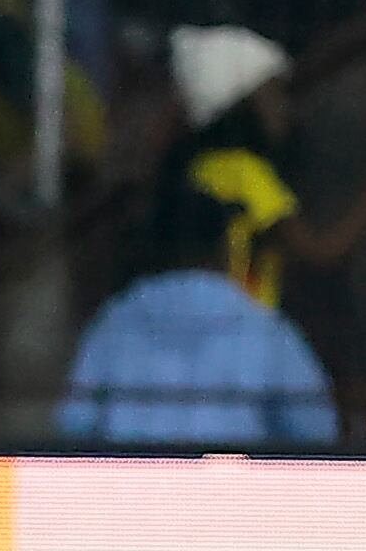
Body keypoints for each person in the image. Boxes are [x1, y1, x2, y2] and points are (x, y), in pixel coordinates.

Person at [53, 175, 340, 446]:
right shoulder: (263, 330)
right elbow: (316, 433)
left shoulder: (114, 325)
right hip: (230, 481)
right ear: (223, 250)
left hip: (133, 483)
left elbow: (74, 427)